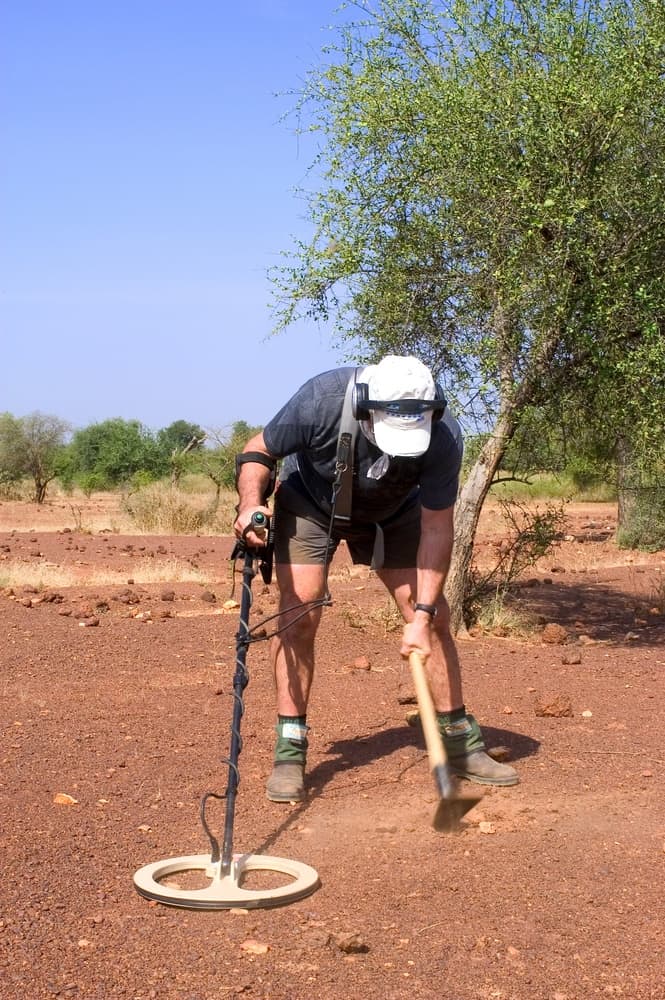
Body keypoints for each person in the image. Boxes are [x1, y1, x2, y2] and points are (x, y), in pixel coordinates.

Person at [233, 355, 518, 802]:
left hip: (393, 512)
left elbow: (438, 528)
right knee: (300, 611)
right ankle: (290, 748)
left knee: (436, 618)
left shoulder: (443, 439)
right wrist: (251, 503)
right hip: (312, 503)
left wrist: (421, 616)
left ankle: (460, 742)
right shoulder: (321, 400)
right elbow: (258, 450)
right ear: (367, 408)